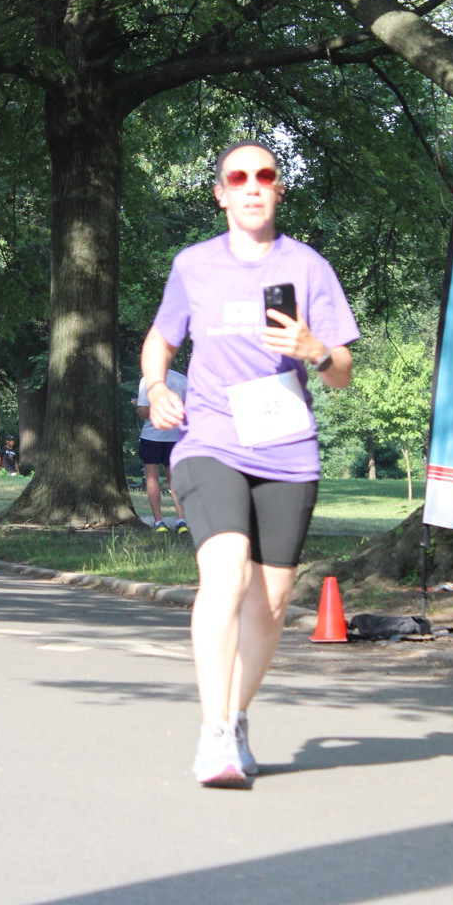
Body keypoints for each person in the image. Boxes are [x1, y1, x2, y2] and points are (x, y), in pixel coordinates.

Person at [141, 140, 359, 787]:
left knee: (271, 600)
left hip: (286, 447)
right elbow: (161, 339)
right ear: (221, 194)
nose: (253, 185)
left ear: (278, 188)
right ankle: (213, 734)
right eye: (239, 177)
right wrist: (156, 387)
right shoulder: (194, 265)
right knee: (226, 572)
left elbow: (343, 373)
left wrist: (315, 348)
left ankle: (235, 717)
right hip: (209, 439)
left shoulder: (309, 267)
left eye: (265, 175)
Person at [134, 369, 189, 533]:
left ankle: (159, 522)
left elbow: (144, 412)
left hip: (152, 436)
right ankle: (182, 521)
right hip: (176, 436)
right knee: (175, 479)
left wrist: (138, 405)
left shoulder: (148, 380)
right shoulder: (182, 379)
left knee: (152, 478)